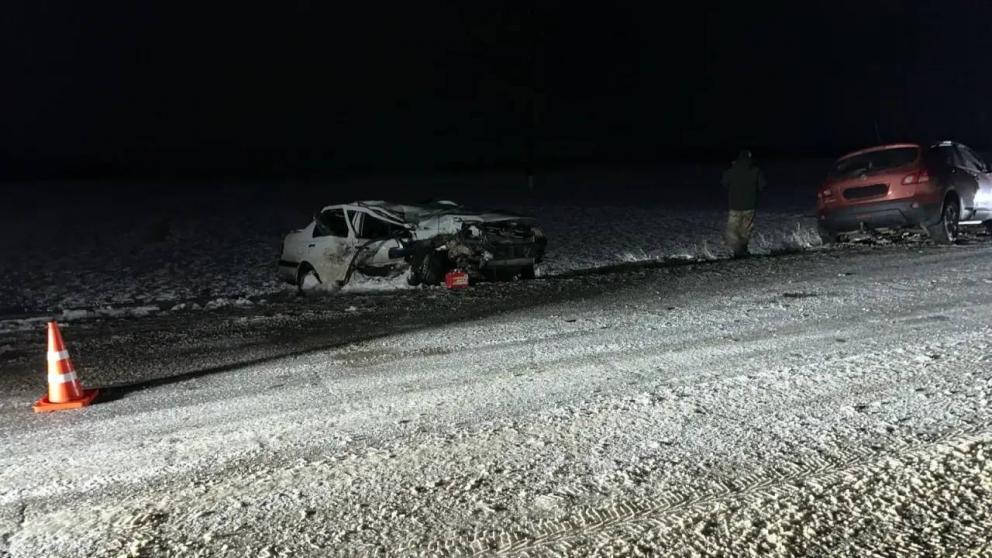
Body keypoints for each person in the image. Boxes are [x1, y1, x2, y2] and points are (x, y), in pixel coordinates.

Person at [721, 149, 766, 257]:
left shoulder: (731, 170)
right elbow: (762, 185)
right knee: (746, 229)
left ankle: (737, 250)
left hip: (734, 205)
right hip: (749, 206)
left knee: (733, 228)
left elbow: (724, 182)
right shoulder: (756, 170)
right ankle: (742, 249)